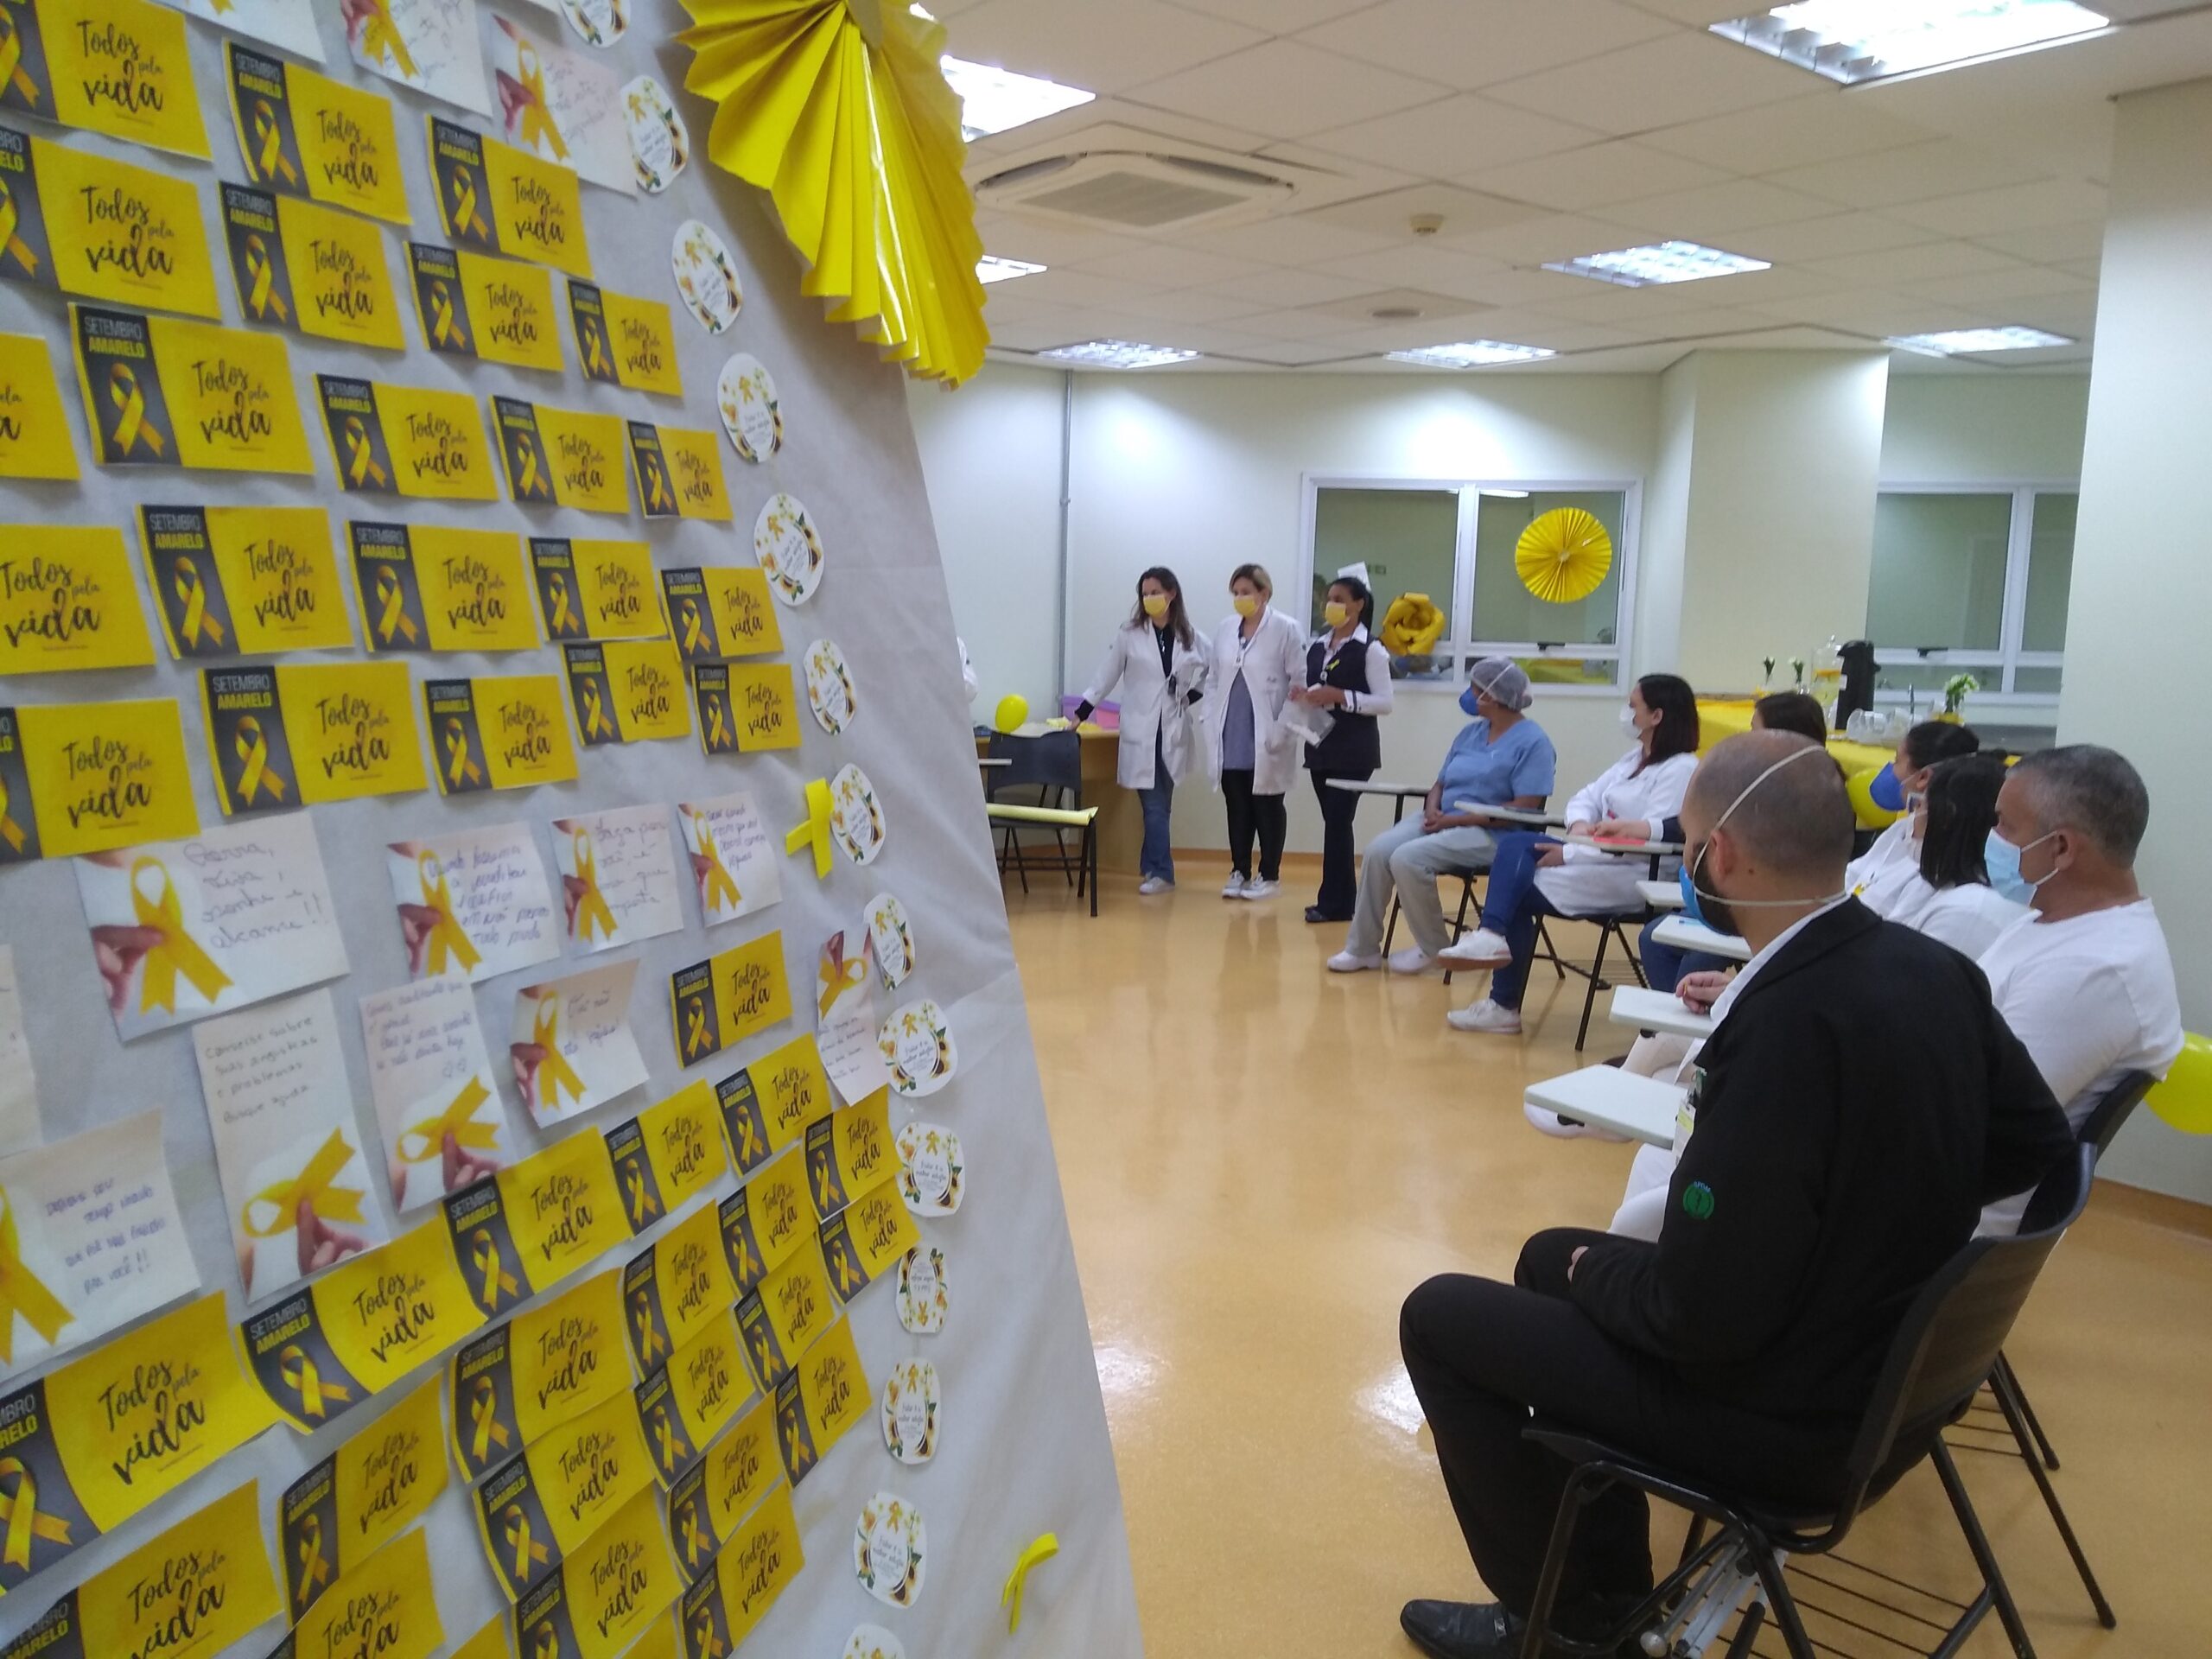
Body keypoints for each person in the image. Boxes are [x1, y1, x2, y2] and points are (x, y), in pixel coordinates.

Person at [1395, 732, 2072, 1659]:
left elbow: (1696, 1320)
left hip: (1789, 1421)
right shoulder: (1930, 966)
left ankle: (1561, 1630)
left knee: (1440, 1316)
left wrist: (1600, 1276)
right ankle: (1606, 1587)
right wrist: (1878, 1214)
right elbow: (2038, 1146)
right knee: (1546, 1257)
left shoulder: (1784, 1025)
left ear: (1720, 854)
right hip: (1891, 1370)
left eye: (1688, 841)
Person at [1978, 744, 2183, 1230]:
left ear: (2062, 848)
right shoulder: (2052, 922)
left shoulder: (2095, 971)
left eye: (2005, 825)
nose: (1992, 838)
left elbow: (1974, 1116)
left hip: (1949, 1218)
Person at [1439, 675, 1701, 1033]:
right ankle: (1492, 939)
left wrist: (1572, 854)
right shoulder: (1634, 760)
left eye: (1632, 706)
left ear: (1656, 716)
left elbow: (1646, 841)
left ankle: (1502, 997)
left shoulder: (1681, 768)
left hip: (1636, 875)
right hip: (1595, 857)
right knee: (1516, 844)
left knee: (1516, 893)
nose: (1626, 713)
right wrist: (1578, 829)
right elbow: (1585, 798)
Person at [1325, 658, 1555, 975]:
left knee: (1408, 858)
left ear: (1493, 696)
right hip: (1442, 818)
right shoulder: (1471, 733)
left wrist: (1452, 821)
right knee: (1378, 851)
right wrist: (1432, 807)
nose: (1469, 695)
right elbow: (1441, 782)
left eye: (1475, 689)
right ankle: (1362, 948)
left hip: (1495, 833)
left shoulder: (1534, 742)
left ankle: (1434, 950)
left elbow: (1523, 808)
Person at [1636, 691, 1832, 992]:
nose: (1747, 738)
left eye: (1755, 730)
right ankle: (1683, 1016)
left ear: (1782, 736)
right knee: (1653, 940)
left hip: (1766, 909)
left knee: (1695, 962)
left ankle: (1702, 1015)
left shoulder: (1816, 794)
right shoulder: (1751, 779)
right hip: (1726, 896)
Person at [1074, 568, 1211, 894]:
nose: (1149, 598)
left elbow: (1214, 671)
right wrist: (1080, 714)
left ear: (1172, 594)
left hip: (1172, 728)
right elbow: (1106, 676)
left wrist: (1190, 697)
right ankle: (1161, 872)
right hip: (1141, 728)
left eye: (1155, 592)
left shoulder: (1190, 636)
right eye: (1145, 593)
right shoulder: (1130, 634)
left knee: (1161, 805)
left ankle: (1152, 867)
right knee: (1153, 804)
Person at [1297, 575, 1394, 924]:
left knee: (1338, 821)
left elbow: (1384, 702)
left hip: (1353, 749)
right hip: (1320, 744)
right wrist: (1305, 695)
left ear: (1358, 604)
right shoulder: (1318, 646)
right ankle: (1340, 898)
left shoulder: (1371, 649)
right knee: (1335, 823)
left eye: (1339, 599)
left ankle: (1335, 903)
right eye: (1329, 599)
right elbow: (1315, 685)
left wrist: (1341, 697)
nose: (1331, 605)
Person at [1205, 564, 1306, 901]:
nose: (1240, 598)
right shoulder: (1226, 629)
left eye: (1246, 592)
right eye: (1235, 593)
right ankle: (1239, 870)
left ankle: (1270, 874)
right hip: (1231, 727)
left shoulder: (1286, 629)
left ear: (1264, 593)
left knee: (1267, 804)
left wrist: (1284, 727)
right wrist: (1209, 716)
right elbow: (1213, 678)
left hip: (1267, 729)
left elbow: (1299, 684)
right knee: (1236, 803)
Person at [1846, 720, 1982, 915]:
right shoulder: (1901, 830)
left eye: (1897, 761)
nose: (1890, 769)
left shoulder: (1942, 864)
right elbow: (1851, 875)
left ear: (1923, 777)